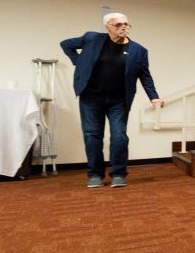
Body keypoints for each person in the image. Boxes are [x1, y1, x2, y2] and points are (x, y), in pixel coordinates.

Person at [60, 12, 163, 188]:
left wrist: (154, 96)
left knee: (119, 137)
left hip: (119, 101)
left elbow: (145, 76)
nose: (124, 27)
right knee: (92, 136)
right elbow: (66, 44)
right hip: (91, 98)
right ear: (108, 27)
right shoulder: (92, 38)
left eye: (126, 24)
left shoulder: (138, 50)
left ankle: (119, 173)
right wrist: (79, 62)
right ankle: (95, 175)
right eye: (118, 24)